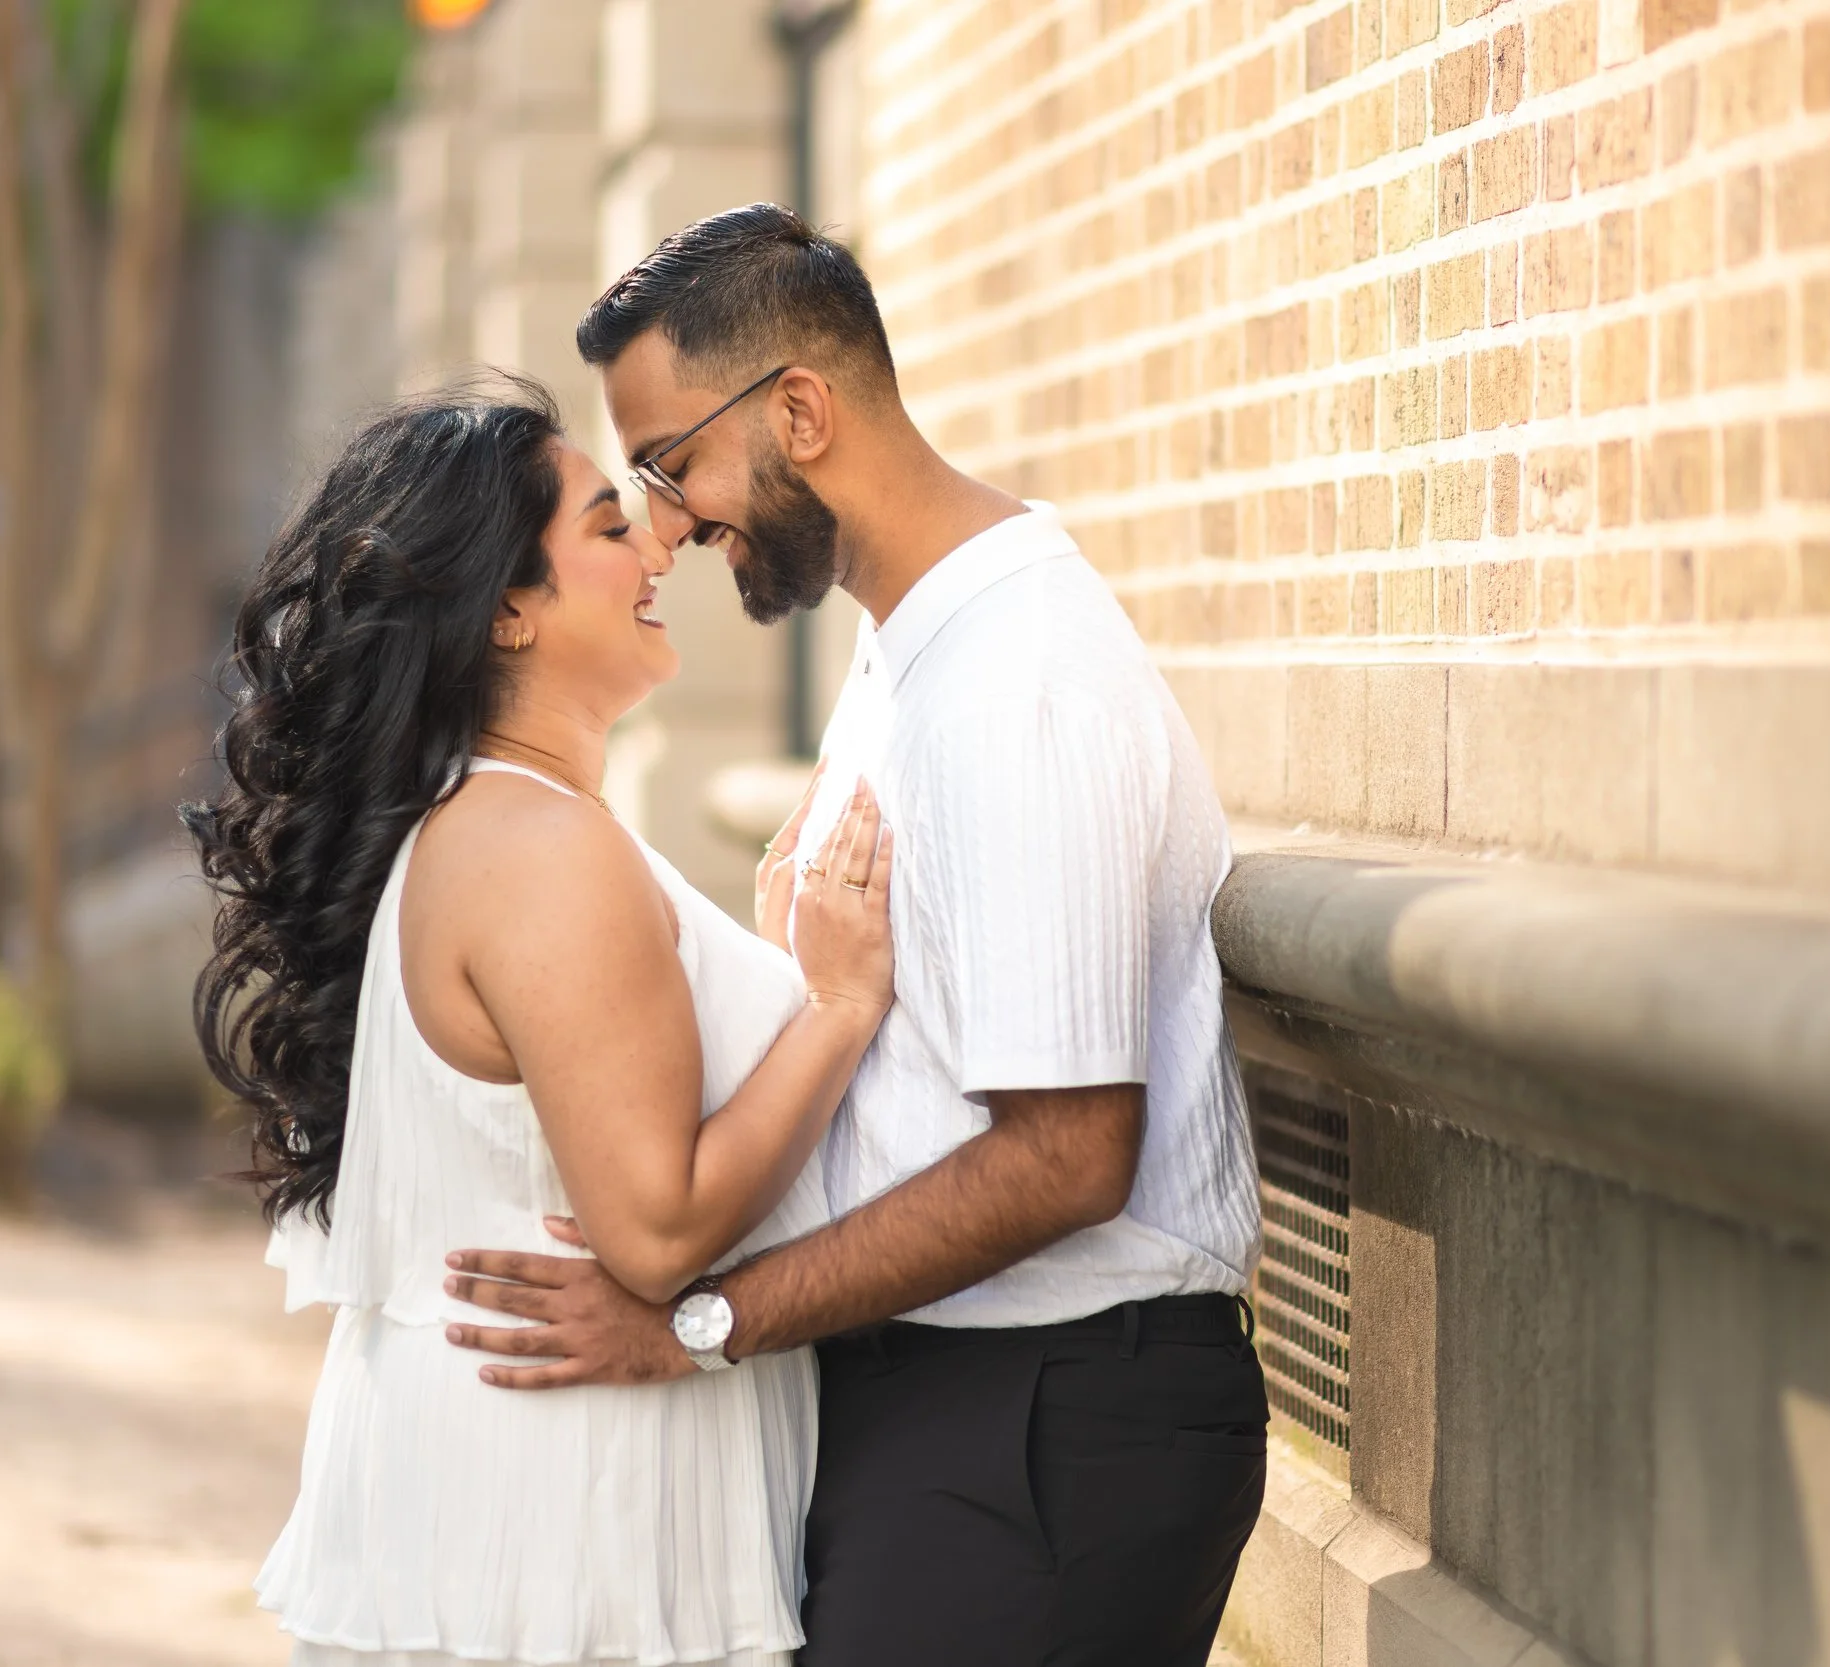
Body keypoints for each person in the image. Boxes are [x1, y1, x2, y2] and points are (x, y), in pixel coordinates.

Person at [441, 204, 1269, 1667]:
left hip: (1055, 1424)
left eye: (674, 465)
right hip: (948, 1397)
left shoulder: (1014, 686)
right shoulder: (911, 647)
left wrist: (702, 1320)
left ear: (801, 411)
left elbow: (1069, 1152)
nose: (674, 525)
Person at [186, 375, 898, 1667]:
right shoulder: (539, 848)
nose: (657, 547)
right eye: (609, 526)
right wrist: (839, 1006)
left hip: (527, 1501)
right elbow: (657, 1224)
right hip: (561, 1525)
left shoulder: (495, 826)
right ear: (508, 608)